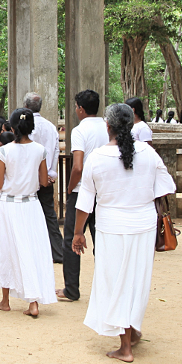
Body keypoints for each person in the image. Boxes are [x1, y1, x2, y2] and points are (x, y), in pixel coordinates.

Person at [72, 103, 176, 362]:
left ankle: (125, 346)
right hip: (143, 226)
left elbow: (85, 201)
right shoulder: (149, 154)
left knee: (114, 282)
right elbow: (165, 187)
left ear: (107, 126)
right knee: (136, 281)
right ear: (131, 125)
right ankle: (133, 329)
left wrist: (78, 233)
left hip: (111, 227)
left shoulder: (96, 158)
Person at [0, 108, 56, 317]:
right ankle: (33, 302)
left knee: (6, 248)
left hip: (8, 205)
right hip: (31, 205)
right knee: (32, 249)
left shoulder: (4, 151)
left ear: (11, 127)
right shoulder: (40, 150)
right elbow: (44, 181)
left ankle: (5, 300)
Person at [58, 89, 110, 302]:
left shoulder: (80, 130)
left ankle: (71, 288)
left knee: (72, 239)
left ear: (80, 108)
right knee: (103, 240)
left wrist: (70, 188)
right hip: (105, 191)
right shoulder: (108, 126)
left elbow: (77, 166)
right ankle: (107, 289)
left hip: (82, 192)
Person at [23, 91, 63, 264]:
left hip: (28, 179)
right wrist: (51, 173)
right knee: (49, 215)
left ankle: (31, 253)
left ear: (25, 106)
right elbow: (55, 151)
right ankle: (58, 252)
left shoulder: (24, 125)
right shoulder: (50, 126)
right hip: (46, 178)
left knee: (27, 215)